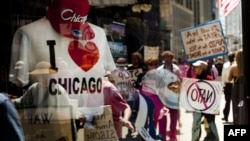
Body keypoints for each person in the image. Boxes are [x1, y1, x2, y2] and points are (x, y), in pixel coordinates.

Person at [137, 57, 167, 141]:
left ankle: (152, 137)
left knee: (154, 120)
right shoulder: (141, 75)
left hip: (156, 102)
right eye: (151, 64)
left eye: (155, 64)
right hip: (144, 101)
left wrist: (164, 104)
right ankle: (144, 138)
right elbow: (136, 87)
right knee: (144, 120)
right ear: (147, 66)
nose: (153, 66)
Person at [191, 60, 219, 141]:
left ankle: (215, 139)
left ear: (202, 68)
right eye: (194, 67)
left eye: (197, 67)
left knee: (211, 124)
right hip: (197, 105)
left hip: (208, 106)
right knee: (196, 124)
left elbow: (214, 93)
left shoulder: (209, 79)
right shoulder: (193, 79)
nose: (195, 69)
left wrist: (215, 107)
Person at [157, 50, 181, 141]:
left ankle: (173, 134)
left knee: (173, 117)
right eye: (165, 57)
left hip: (173, 96)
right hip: (162, 96)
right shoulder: (159, 69)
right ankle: (162, 135)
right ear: (163, 59)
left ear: (172, 59)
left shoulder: (176, 69)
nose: (167, 59)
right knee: (162, 116)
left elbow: (178, 82)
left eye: (169, 57)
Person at [228, 49, 245, 125]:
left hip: (236, 89)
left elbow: (229, 79)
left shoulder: (233, 67)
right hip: (245, 88)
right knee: (244, 107)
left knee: (236, 108)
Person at [221, 52, 235, 122]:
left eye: (231, 57)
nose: (230, 58)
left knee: (232, 102)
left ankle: (232, 116)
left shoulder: (235, 65)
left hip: (232, 85)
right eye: (229, 57)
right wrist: (223, 85)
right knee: (228, 102)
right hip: (229, 85)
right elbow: (223, 76)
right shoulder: (226, 65)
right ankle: (226, 116)